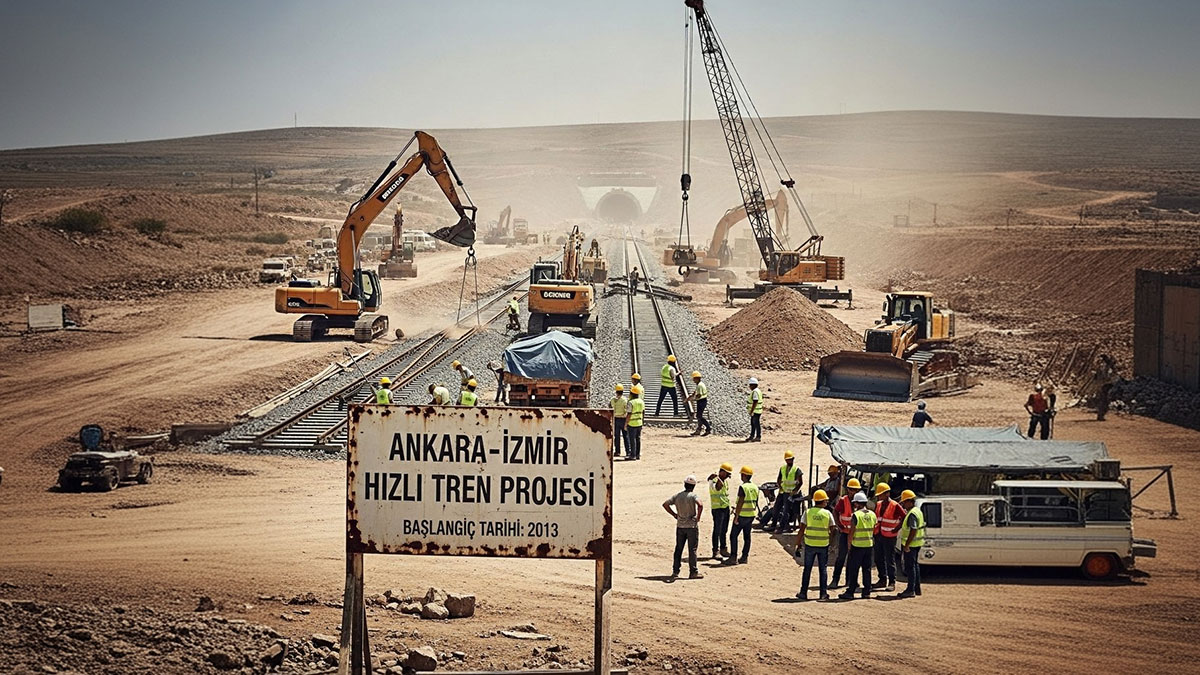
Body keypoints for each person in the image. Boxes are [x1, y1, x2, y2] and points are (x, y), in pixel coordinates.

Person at [794, 489, 837, 601]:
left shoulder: (808, 513)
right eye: (826, 501)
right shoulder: (827, 513)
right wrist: (831, 542)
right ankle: (823, 594)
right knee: (823, 569)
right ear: (822, 501)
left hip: (810, 545)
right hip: (823, 545)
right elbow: (833, 529)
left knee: (807, 569)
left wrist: (798, 544)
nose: (827, 503)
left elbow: (801, 530)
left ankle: (803, 593)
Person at [663, 475, 705, 580]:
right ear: (694, 486)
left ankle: (675, 571)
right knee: (692, 550)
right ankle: (693, 572)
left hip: (680, 526)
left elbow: (665, 504)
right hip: (691, 526)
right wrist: (698, 517)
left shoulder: (678, 496)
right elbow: (700, 505)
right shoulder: (693, 496)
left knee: (678, 549)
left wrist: (674, 515)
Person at [839, 492, 877, 600]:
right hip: (869, 545)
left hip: (857, 546)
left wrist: (849, 544)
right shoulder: (872, 514)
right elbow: (874, 528)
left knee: (853, 569)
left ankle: (851, 591)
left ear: (857, 503)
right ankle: (866, 592)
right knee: (867, 569)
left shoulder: (856, 515)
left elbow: (851, 531)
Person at [871, 482, 906, 592]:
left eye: (881, 494)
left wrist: (897, 528)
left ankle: (892, 582)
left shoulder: (895, 505)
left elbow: (904, 516)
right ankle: (882, 579)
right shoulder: (879, 504)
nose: (879, 497)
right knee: (878, 558)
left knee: (889, 559)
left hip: (890, 536)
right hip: (879, 534)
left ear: (887, 494)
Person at [829, 477, 862, 588]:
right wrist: (839, 525)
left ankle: (851, 581)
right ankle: (835, 580)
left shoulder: (860, 501)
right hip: (845, 533)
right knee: (841, 557)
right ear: (848, 490)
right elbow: (835, 511)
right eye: (851, 490)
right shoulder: (844, 500)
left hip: (856, 535)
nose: (853, 492)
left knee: (853, 559)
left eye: (855, 490)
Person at [725, 466, 758, 566]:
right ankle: (744, 557)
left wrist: (736, 516)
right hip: (751, 515)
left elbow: (740, 502)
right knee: (747, 537)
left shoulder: (743, 487)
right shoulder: (755, 487)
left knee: (733, 536)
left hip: (742, 515)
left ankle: (733, 557)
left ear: (744, 475)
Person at [763, 451, 802, 533]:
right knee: (776, 508)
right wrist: (780, 487)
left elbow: (800, 482)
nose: (789, 461)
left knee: (786, 511)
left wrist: (794, 491)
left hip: (790, 493)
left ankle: (783, 527)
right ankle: (773, 525)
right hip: (783, 492)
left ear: (793, 459)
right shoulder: (783, 468)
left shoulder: (796, 469)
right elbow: (779, 479)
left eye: (790, 459)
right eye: (787, 460)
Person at [897, 489, 925, 598]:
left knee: (910, 567)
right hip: (917, 544)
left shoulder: (912, 514)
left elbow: (913, 529)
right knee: (915, 566)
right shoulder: (917, 511)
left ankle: (910, 590)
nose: (903, 504)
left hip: (911, 545)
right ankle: (916, 588)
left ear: (910, 501)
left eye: (904, 502)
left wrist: (907, 545)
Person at [707, 463, 733, 559]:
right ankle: (715, 551)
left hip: (725, 507)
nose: (727, 477)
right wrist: (718, 478)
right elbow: (718, 488)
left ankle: (723, 549)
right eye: (727, 474)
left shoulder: (725, 481)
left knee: (724, 530)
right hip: (717, 509)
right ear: (722, 472)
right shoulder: (713, 480)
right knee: (717, 530)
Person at [687, 371, 712, 436]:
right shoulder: (700, 384)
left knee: (699, 416)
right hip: (702, 401)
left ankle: (708, 428)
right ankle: (699, 430)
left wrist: (693, 399)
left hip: (701, 401)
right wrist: (691, 396)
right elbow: (696, 392)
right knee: (699, 416)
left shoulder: (700, 385)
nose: (693, 380)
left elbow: (699, 395)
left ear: (697, 378)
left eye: (694, 378)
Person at [626, 385, 644, 460]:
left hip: (632, 423)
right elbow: (643, 412)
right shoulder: (641, 402)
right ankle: (637, 455)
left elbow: (629, 414)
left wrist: (626, 423)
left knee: (632, 439)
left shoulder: (631, 402)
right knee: (638, 439)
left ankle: (632, 455)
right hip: (639, 422)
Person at [610, 384, 629, 457]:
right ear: (622, 391)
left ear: (616, 391)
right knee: (626, 436)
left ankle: (617, 451)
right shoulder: (625, 400)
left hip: (616, 419)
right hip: (623, 419)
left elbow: (610, 408)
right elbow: (627, 409)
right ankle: (628, 451)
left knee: (617, 436)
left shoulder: (613, 400)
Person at [746, 377, 763, 442]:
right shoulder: (758, 391)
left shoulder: (755, 392)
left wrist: (751, 411)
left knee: (756, 424)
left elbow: (755, 401)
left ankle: (758, 437)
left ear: (753, 385)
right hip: (757, 410)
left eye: (750, 385)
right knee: (753, 424)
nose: (749, 386)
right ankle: (752, 436)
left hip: (755, 411)